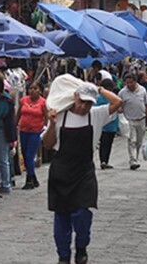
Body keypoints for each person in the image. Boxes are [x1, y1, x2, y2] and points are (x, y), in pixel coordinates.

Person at [44, 82, 122, 264]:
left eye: (89, 103)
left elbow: (118, 102)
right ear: (75, 97)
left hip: (84, 172)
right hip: (60, 172)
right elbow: (48, 145)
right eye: (82, 102)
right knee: (61, 217)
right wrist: (51, 124)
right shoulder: (60, 116)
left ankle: (81, 246)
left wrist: (99, 89)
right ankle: (63, 255)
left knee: (82, 213)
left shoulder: (95, 115)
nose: (85, 107)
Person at [16, 81, 47, 190]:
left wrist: (45, 129)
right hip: (23, 130)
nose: (32, 91)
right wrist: (15, 125)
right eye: (31, 88)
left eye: (35, 88)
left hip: (35, 131)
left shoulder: (43, 102)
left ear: (40, 90)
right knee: (25, 155)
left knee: (30, 155)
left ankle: (29, 179)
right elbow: (19, 113)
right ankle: (33, 177)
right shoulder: (23, 100)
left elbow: (46, 116)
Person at [118, 73, 147, 170]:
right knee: (132, 140)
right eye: (127, 83)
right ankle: (132, 160)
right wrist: (120, 108)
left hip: (141, 119)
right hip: (129, 120)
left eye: (131, 82)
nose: (128, 84)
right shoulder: (122, 92)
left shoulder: (142, 90)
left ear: (135, 82)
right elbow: (118, 103)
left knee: (139, 141)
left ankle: (135, 158)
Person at [97, 79, 119, 170]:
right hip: (110, 124)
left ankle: (104, 161)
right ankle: (104, 161)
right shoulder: (113, 97)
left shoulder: (98, 98)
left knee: (105, 143)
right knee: (107, 143)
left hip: (105, 124)